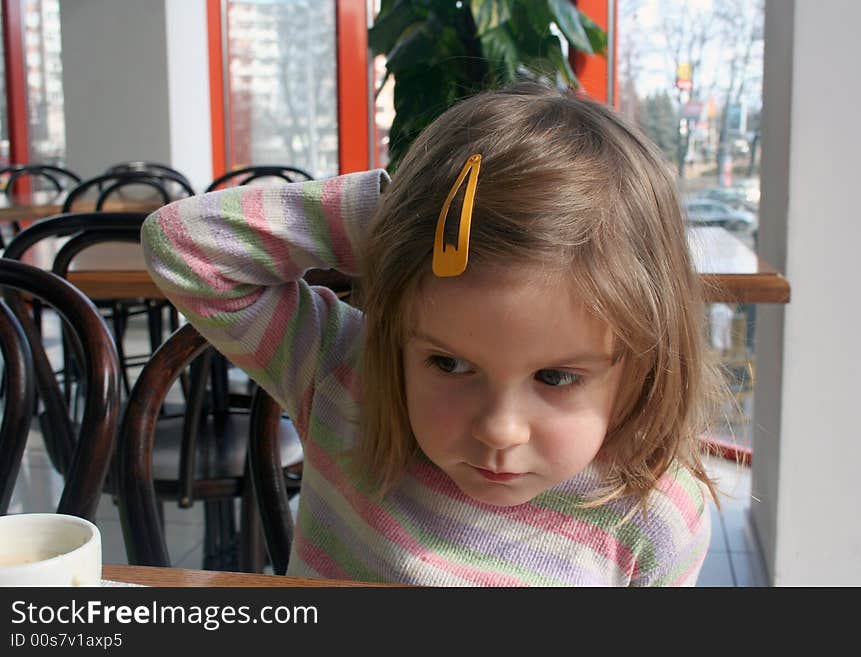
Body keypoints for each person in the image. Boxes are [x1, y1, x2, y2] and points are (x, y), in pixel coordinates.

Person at [142, 82, 723, 586]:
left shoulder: (657, 517)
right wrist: (403, 229)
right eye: (448, 364)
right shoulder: (343, 380)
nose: (499, 429)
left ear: (645, 362)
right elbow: (183, 243)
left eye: (557, 376)